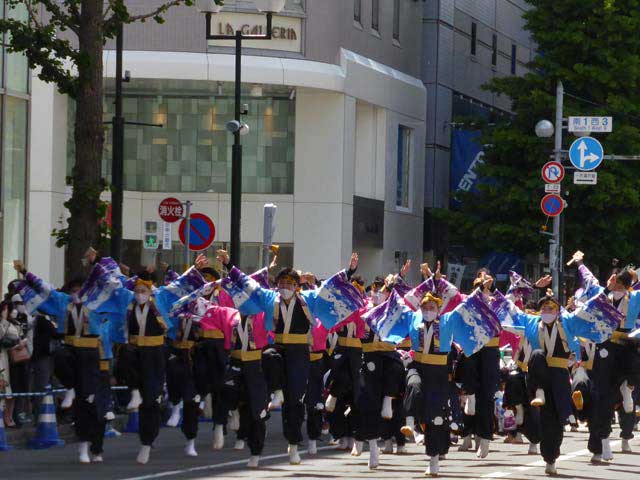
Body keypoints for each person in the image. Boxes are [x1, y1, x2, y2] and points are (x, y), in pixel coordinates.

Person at [223, 253, 363, 465]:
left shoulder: (309, 300)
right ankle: (275, 397)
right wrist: (229, 265)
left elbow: (329, 287)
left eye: (289, 283)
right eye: (281, 283)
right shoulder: (271, 298)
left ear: (297, 286)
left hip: (299, 352)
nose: (284, 286)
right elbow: (248, 284)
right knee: (269, 358)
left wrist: (349, 271)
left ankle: (294, 444)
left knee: (296, 402)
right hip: (278, 347)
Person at [491, 288, 623, 475]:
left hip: (559, 375)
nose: (547, 312)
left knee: (555, 422)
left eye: (551, 309)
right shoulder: (532, 322)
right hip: (539, 375)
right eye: (543, 309)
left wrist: (607, 291)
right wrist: (490, 292)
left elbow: (587, 309)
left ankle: (551, 457)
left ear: (558, 310)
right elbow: (511, 311)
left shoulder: (567, 322)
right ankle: (539, 393)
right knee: (536, 355)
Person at [571, 251, 640, 461]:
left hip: (627, 345)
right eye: (614, 284)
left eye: (621, 285)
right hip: (604, 347)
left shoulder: (635, 298)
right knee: (602, 398)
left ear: (628, 286)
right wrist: (580, 263)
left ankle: (627, 387)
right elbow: (589, 280)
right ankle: (601, 444)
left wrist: (634, 275)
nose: (617, 288)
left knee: (635, 367)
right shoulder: (602, 296)